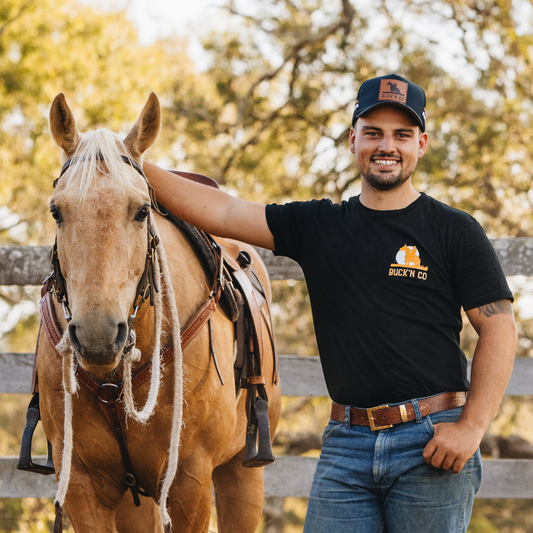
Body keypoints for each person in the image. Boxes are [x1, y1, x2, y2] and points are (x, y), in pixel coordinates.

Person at [143, 73, 517, 533]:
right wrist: (129, 163)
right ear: (352, 140)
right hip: (347, 444)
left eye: (401, 135)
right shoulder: (319, 226)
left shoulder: (454, 230)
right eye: (373, 132)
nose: (387, 146)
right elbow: (223, 211)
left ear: (421, 144)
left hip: (431, 440)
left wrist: (472, 426)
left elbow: (499, 328)